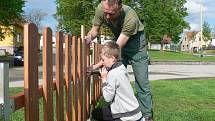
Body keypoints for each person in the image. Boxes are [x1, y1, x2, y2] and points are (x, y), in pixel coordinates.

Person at [86, 0, 153, 120]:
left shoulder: (130, 17)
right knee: (115, 76)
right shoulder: (101, 9)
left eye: (111, 13)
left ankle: (147, 115)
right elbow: (94, 30)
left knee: (142, 83)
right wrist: (87, 38)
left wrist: (97, 65)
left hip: (136, 45)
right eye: (105, 12)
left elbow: (114, 53)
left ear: (120, 7)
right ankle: (117, 109)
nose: (107, 16)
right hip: (119, 41)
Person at [91, 41, 143, 121]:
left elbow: (107, 98)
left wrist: (104, 80)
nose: (103, 63)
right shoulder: (121, 67)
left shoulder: (113, 74)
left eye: (103, 60)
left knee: (96, 113)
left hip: (126, 116)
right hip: (134, 111)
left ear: (112, 59)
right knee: (99, 112)